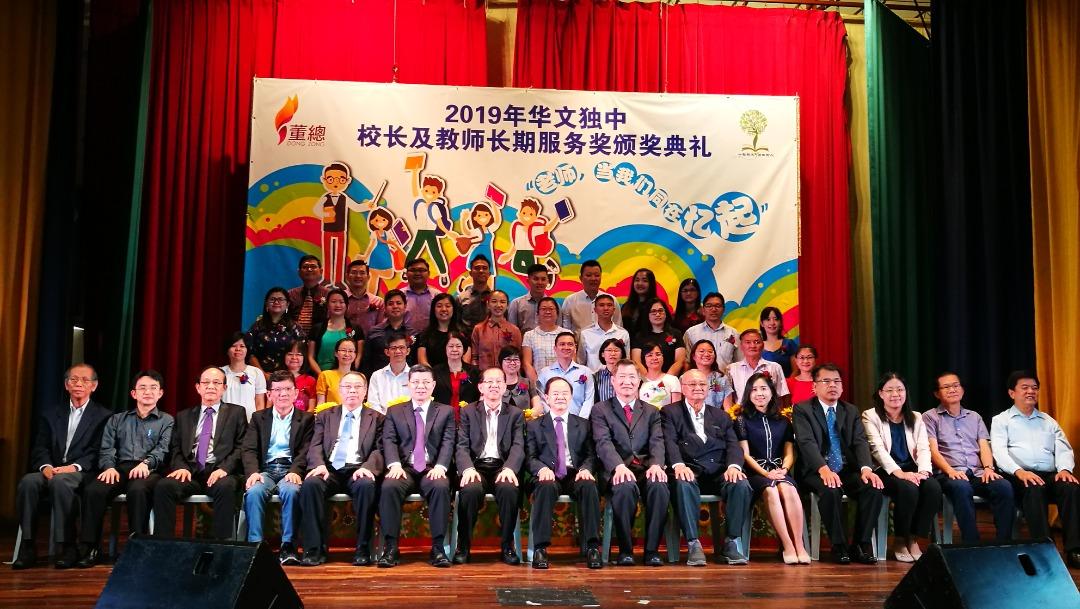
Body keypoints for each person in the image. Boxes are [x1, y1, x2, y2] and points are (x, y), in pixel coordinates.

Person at [13, 364, 111, 570]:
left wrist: (74, 467)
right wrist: (45, 466)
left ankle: (68, 546)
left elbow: (98, 451)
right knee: (28, 482)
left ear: (94, 386)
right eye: (74, 380)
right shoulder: (51, 413)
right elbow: (40, 446)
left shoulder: (104, 416)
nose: (79, 384)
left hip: (82, 472)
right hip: (52, 469)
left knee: (61, 482)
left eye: (85, 380)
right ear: (66, 385)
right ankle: (28, 546)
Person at [76, 370, 174, 568]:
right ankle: (90, 548)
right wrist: (109, 467)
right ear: (133, 394)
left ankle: (135, 548)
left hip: (149, 469)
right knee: (94, 489)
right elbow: (107, 448)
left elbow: (163, 449)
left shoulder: (166, 420)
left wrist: (147, 463)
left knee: (137, 490)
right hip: (119, 467)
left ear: (161, 393)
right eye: (142, 388)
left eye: (153, 388)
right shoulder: (117, 419)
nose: (148, 392)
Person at [792, 364, 884, 565]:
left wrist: (866, 469)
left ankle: (861, 543)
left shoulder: (850, 410)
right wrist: (823, 469)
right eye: (826, 381)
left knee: (873, 488)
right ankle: (838, 545)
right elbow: (806, 442)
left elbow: (860, 441)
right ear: (814, 387)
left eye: (837, 381)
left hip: (845, 469)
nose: (832, 385)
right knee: (830, 488)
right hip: (815, 470)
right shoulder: (803, 409)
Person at [991, 370, 1080, 568]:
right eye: (1025, 388)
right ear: (1012, 393)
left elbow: (1063, 448)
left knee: (1070, 487)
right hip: (1017, 475)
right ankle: (1044, 550)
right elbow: (998, 451)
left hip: (1048, 474)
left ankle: (1074, 550)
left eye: (1034, 388)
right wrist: (1018, 471)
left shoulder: (1048, 421)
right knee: (1034, 488)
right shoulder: (1001, 420)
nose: (1031, 391)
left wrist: (1065, 470)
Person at [664, 369, 752, 566]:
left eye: (702, 385)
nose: (698, 388)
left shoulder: (720, 415)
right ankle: (694, 544)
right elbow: (669, 442)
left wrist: (734, 467)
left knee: (741, 483)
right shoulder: (670, 412)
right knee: (683, 482)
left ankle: (731, 542)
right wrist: (677, 464)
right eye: (692, 385)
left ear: (708, 389)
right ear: (682, 388)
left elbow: (733, 445)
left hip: (718, 470)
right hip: (689, 468)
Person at [299, 371, 385, 566]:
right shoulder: (324, 415)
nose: (352, 391)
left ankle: (363, 548)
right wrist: (319, 464)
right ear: (339, 390)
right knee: (311, 484)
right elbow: (315, 444)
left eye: (357, 387)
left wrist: (368, 467)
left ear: (365, 391)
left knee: (366, 485)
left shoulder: (378, 418)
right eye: (347, 387)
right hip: (329, 469)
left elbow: (380, 448)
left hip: (358, 468)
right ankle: (315, 549)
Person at [153, 367, 247, 540]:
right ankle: (163, 545)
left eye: (217, 382)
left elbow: (242, 446)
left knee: (226, 487)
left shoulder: (237, 413)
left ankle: (222, 545)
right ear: (198, 387)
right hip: (191, 473)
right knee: (164, 486)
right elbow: (175, 448)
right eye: (206, 382)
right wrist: (182, 467)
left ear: (224, 388)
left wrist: (225, 469)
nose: (211, 386)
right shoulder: (184, 416)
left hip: (220, 472)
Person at [590, 360, 669, 566]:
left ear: (639, 382)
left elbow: (657, 441)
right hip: (618, 468)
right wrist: (618, 466)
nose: (627, 382)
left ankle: (651, 550)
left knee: (660, 487)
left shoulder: (651, 411)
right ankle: (625, 550)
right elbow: (603, 442)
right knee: (624, 487)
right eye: (622, 377)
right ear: (614, 381)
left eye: (632, 377)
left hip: (645, 468)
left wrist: (656, 464)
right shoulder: (600, 410)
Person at [377, 365, 456, 568]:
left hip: (432, 467)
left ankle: (438, 549)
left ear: (433, 385)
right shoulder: (395, 411)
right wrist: (394, 464)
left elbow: (449, 441)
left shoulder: (445, 411)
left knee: (440, 486)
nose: (421, 387)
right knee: (389, 486)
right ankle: (391, 548)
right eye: (416, 382)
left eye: (425, 382)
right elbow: (389, 440)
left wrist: (441, 466)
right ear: (408, 384)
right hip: (404, 468)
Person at [923, 372, 1014, 543]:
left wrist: (988, 468)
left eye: (956, 385)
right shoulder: (930, 417)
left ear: (962, 390)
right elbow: (932, 451)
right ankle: (971, 543)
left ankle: (1005, 543)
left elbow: (984, 446)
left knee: (1003, 486)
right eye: (946, 387)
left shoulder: (974, 417)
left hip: (977, 472)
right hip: (948, 474)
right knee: (961, 487)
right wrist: (950, 471)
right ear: (937, 393)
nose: (952, 390)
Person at [861, 373, 942, 562]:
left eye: (900, 389)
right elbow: (877, 449)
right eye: (889, 390)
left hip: (912, 469)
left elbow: (923, 447)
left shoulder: (915, 417)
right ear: (881, 393)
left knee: (933, 487)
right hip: (886, 471)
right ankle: (899, 539)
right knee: (908, 489)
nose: (895, 394)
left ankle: (913, 538)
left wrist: (923, 471)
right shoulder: (870, 416)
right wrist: (900, 473)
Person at [527, 376, 603, 570]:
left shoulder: (583, 424)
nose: (560, 397)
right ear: (546, 397)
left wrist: (586, 469)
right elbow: (529, 457)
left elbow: (592, 455)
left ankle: (592, 547)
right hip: (547, 473)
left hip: (574, 472)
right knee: (545, 488)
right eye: (555, 393)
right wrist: (541, 468)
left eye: (564, 393)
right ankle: (540, 548)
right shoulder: (535, 425)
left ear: (571, 396)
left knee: (589, 486)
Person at [453, 367, 525, 565]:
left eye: (499, 382)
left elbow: (519, 445)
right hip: (476, 466)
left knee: (510, 489)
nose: (494, 385)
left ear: (504, 387)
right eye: (489, 382)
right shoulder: (468, 411)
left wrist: (510, 468)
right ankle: (463, 546)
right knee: (470, 490)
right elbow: (461, 445)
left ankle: (507, 546)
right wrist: (467, 468)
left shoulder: (515, 414)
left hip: (503, 466)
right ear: (480, 387)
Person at [734, 373, 808, 565]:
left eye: (764, 389)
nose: (759, 393)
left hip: (779, 469)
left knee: (788, 488)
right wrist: (766, 473)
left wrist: (783, 469)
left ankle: (799, 545)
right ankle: (788, 546)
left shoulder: (783, 421)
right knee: (772, 490)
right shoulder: (742, 420)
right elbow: (745, 454)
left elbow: (789, 452)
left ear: (772, 392)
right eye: (754, 389)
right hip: (756, 473)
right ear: (748, 394)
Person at [241, 371, 315, 564]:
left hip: (290, 469)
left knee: (291, 491)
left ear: (296, 393)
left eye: (288, 389)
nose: (283, 394)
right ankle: (256, 548)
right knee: (254, 491)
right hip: (265, 469)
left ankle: (288, 547)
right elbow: (248, 448)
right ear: (269, 395)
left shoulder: (307, 419)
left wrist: (296, 471)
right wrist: (253, 472)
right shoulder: (258, 418)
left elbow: (306, 450)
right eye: (278, 390)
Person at [315, 162, 368, 287]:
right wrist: (326, 215)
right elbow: (316, 210)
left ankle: (338, 280)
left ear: (347, 181)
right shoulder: (325, 197)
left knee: (340, 256)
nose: (335, 182)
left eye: (341, 179)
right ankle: (327, 278)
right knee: (327, 255)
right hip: (327, 229)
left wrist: (367, 206)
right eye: (331, 179)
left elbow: (356, 207)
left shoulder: (344, 197)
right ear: (324, 180)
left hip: (341, 230)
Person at [405, 173, 454, 288]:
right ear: (423, 190)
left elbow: (440, 224)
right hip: (421, 231)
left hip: (431, 232)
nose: (429, 194)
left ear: (438, 194)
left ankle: (443, 274)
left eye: (433, 192)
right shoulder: (419, 203)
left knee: (436, 253)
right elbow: (414, 188)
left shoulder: (435, 207)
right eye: (427, 190)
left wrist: (449, 233)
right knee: (413, 251)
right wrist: (415, 171)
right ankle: (405, 269)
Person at [247, 286, 306, 375]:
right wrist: (263, 374)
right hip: (260, 375)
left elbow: (301, 353)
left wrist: (288, 376)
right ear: (266, 303)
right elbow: (250, 354)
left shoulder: (295, 328)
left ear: (287, 304)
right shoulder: (257, 327)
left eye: (281, 299)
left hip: (288, 376)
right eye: (272, 299)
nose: (276, 302)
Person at [537, 332, 594, 418]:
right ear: (555, 348)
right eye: (562, 344)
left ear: (575, 348)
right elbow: (542, 400)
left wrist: (581, 421)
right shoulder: (544, 373)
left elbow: (589, 399)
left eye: (570, 344)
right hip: (552, 423)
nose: (566, 347)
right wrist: (555, 419)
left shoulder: (585, 372)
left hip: (580, 422)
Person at [307, 288, 362, 376]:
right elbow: (310, 356)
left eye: (341, 302)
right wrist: (322, 376)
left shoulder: (355, 328)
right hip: (321, 374)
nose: (337, 305)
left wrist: (350, 373)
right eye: (333, 301)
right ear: (327, 305)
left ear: (347, 305)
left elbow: (359, 355)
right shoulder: (317, 328)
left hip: (347, 376)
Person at [727, 329, 790, 406]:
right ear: (741, 346)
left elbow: (782, 395)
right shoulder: (732, 369)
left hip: (769, 414)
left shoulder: (775, 367)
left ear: (763, 345)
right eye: (748, 342)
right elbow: (728, 398)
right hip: (742, 414)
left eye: (757, 342)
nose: (753, 346)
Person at [559, 260, 622, 332]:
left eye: (597, 275)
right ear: (581, 278)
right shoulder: (570, 301)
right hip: (579, 343)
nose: (593, 279)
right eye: (588, 275)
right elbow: (565, 331)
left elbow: (618, 328)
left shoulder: (612, 300)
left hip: (607, 342)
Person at [362, 289, 414, 377]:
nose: (395, 306)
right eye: (390, 304)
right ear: (385, 308)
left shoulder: (413, 332)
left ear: (405, 306)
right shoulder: (374, 332)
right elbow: (366, 361)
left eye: (399, 303)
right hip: (379, 382)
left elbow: (415, 361)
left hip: (406, 382)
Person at [683, 292, 740, 369]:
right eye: (709, 306)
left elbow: (739, 362)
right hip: (699, 379)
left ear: (723, 310)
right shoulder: (691, 333)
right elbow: (687, 361)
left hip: (726, 379)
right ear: (703, 310)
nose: (713, 309)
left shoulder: (733, 333)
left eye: (718, 306)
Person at [432, 332, 481, 420]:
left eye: (458, 346)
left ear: (464, 349)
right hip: (442, 419)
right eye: (451, 346)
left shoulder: (474, 372)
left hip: (468, 418)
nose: (454, 349)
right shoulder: (435, 371)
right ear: (445, 348)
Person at [631, 298, 685, 376]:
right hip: (646, 381)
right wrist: (649, 380)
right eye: (653, 311)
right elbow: (636, 361)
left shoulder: (676, 334)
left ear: (666, 313)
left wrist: (666, 380)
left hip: (670, 380)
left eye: (660, 311)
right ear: (647, 315)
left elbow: (679, 361)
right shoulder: (639, 336)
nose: (657, 314)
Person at [521, 297, 570, 383]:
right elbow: (526, 364)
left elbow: (572, 360)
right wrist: (538, 384)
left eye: (551, 309)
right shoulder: (529, 335)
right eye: (543, 309)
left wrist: (565, 382)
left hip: (564, 383)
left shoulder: (567, 334)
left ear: (557, 313)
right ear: (537, 314)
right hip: (539, 382)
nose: (547, 312)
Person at [470, 289, 521, 371]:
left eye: (502, 302)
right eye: (494, 301)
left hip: (507, 377)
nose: (498, 305)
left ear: (507, 305)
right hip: (484, 377)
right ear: (488, 305)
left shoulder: (515, 330)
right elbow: (474, 357)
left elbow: (518, 356)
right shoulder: (478, 329)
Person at [221, 332, 267, 421]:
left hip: (249, 423)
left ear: (247, 350)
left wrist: (257, 424)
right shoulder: (220, 372)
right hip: (225, 422)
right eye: (234, 346)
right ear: (227, 350)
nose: (238, 349)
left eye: (242, 346)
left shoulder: (256, 372)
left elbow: (259, 403)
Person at [416, 293, 470, 368]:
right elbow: (422, 361)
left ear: (454, 309)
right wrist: (436, 375)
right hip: (433, 376)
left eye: (448, 306)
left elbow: (466, 360)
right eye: (439, 306)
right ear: (433, 309)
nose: (444, 309)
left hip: (457, 376)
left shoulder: (462, 333)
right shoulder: (425, 335)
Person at [578, 294, 630, 371]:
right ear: (595, 310)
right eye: (601, 305)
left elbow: (626, 360)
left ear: (614, 309)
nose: (606, 308)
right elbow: (580, 361)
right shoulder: (585, 333)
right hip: (593, 379)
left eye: (609, 305)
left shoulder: (623, 333)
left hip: (617, 378)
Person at [363, 208, 405, 295]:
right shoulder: (375, 233)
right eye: (377, 220)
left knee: (389, 274)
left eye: (383, 219)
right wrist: (365, 256)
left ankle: (374, 272)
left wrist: (402, 233)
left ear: (388, 221)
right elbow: (371, 245)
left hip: (386, 254)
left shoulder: (387, 233)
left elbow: (394, 241)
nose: (380, 222)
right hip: (376, 254)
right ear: (371, 222)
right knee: (373, 278)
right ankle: (371, 297)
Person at [368, 333, 412, 414]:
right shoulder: (377, 376)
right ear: (387, 352)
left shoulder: (414, 376)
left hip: (409, 422)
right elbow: (373, 404)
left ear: (408, 351)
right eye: (393, 348)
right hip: (382, 422)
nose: (398, 351)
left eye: (401, 347)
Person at [288, 255, 330, 336]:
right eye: (305, 267)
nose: (309, 269)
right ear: (299, 272)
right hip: (294, 340)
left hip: (321, 338)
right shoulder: (290, 294)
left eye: (313, 267)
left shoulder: (329, 294)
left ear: (321, 271)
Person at [344, 260, 385, 337]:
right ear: (347, 276)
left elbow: (380, 329)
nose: (358, 276)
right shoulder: (340, 299)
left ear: (368, 277)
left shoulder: (378, 302)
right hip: (342, 345)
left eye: (362, 273)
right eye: (354, 272)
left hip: (369, 345)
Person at [637, 340, 682, 408]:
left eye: (658, 354)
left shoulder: (672, 380)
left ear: (663, 357)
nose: (655, 358)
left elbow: (676, 410)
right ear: (644, 359)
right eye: (650, 355)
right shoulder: (638, 381)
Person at [689, 339, 733, 408]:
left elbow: (728, 409)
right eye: (701, 351)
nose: (706, 354)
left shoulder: (721, 379)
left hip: (716, 418)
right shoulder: (685, 378)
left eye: (710, 351)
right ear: (693, 356)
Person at [507, 262, 549, 334]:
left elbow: (558, 330)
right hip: (523, 343)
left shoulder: (554, 305)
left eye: (543, 279)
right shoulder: (516, 303)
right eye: (536, 279)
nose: (540, 282)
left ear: (547, 281)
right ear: (528, 280)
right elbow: (511, 331)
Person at [316, 337, 359, 406]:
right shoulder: (325, 375)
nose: (347, 354)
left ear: (355, 354)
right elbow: (320, 403)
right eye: (343, 350)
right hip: (331, 415)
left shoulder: (359, 377)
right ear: (336, 353)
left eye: (351, 351)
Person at [759, 306, 798, 377]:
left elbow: (796, 370)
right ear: (762, 323)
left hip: (787, 386)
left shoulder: (789, 344)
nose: (772, 323)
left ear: (780, 323)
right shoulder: (757, 346)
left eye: (776, 319)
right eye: (768, 319)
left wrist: (785, 385)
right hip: (763, 386)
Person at [499, 346, 540, 414]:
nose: (512, 363)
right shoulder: (494, 384)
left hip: (525, 422)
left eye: (516, 359)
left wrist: (526, 416)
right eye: (508, 359)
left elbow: (538, 407)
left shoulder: (528, 382)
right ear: (501, 362)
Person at [458, 254, 492, 333]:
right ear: (470, 273)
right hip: (467, 341)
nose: (481, 271)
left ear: (489, 274)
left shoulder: (495, 299)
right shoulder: (461, 298)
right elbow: (456, 323)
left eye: (484, 268)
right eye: (477, 268)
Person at [403, 258, 436, 334]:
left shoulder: (437, 296)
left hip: (432, 341)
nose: (417, 273)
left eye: (421, 270)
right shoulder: (398, 296)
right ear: (406, 274)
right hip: (403, 342)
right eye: (413, 270)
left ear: (429, 273)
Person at [620, 268, 657, 333]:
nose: (640, 283)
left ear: (651, 284)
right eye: (637, 280)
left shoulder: (656, 305)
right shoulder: (626, 306)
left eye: (645, 280)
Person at [284, 340, 316, 412]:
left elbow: (311, 408)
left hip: (302, 420)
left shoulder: (310, 380)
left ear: (304, 357)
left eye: (298, 354)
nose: (294, 357)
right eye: (290, 354)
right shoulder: (277, 378)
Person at [593, 338, 625, 405]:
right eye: (609, 350)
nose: (613, 353)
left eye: (616, 350)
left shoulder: (627, 376)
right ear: (602, 354)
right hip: (602, 413)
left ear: (622, 354)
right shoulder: (596, 377)